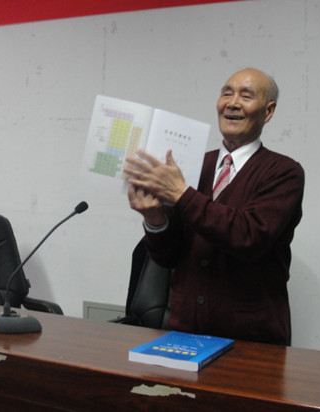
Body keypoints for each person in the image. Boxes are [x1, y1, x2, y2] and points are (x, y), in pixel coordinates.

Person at [123, 68, 304, 345]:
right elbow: (167, 257)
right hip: (185, 333)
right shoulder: (195, 165)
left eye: (246, 96)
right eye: (227, 93)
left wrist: (181, 193)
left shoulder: (284, 172)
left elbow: (248, 236)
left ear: (268, 111)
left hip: (251, 340)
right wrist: (155, 220)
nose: (232, 103)